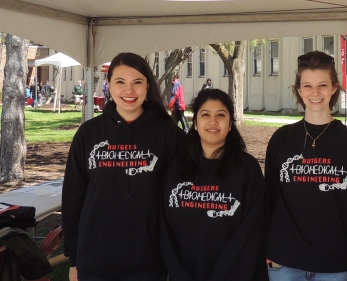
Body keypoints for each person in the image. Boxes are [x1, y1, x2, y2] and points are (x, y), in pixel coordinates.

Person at [62, 52, 185, 281]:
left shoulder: (169, 136)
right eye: (120, 82)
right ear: (108, 85)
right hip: (94, 259)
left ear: (148, 86)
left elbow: (181, 200)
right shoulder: (89, 134)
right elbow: (72, 198)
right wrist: (74, 258)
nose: (129, 91)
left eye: (137, 82)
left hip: (148, 261)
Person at [265, 51, 347, 281]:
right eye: (308, 86)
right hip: (284, 263)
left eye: (322, 85)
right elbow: (269, 201)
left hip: (335, 265)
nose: (315, 93)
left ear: (334, 88)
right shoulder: (281, 139)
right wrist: (268, 252)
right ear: (299, 90)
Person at [160, 88, 267, 281]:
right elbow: (166, 230)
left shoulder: (247, 169)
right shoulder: (177, 169)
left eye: (221, 115)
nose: (213, 121)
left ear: (230, 124)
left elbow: (252, 232)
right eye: (205, 115)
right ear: (195, 123)